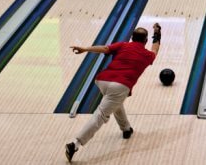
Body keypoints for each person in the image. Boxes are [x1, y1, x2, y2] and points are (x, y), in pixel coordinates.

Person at [65, 23, 162, 162]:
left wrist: (85, 49)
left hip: (102, 80)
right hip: (120, 85)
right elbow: (155, 48)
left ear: (131, 38)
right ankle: (75, 144)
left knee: (116, 102)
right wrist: (157, 32)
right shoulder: (147, 55)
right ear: (145, 41)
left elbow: (104, 48)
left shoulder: (123, 45)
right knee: (101, 115)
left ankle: (126, 128)